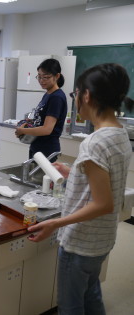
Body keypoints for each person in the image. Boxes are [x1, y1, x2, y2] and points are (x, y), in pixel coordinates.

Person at [27, 63, 134, 315]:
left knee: (71, 307)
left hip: (80, 242)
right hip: (103, 239)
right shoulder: (119, 135)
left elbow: (102, 203)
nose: (75, 100)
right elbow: (105, 183)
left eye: (76, 94)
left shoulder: (94, 142)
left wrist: (56, 224)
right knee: (91, 295)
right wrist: (73, 170)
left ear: (86, 95)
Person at [15, 58, 67, 162]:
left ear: (57, 76)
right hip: (37, 146)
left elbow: (47, 129)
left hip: (46, 150)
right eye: (39, 77)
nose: (41, 80)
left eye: (46, 77)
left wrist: (22, 130)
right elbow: (42, 121)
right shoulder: (48, 94)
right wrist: (30, 123)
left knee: (41, 178)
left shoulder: (56, 97)